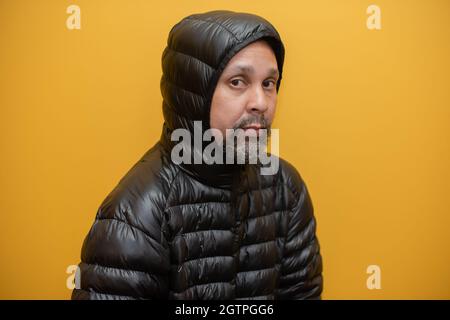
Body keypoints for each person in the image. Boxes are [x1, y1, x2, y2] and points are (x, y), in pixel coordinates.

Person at [72, 10, 323, 300]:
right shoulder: (137, 214)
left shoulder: (286, 189)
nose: (260, 103)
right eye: (238, 82)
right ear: (193, 94)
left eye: (269, 83)